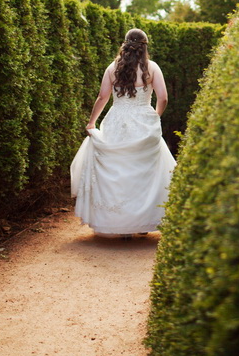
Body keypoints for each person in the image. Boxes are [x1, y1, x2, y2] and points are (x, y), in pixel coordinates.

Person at [70, 28, 176, 237]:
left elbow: (102, 97)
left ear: (125, 44)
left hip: (117, 120)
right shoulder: (152, 67)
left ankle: (123, 226)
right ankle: (143, 223)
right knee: (144, 172)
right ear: (144, 46)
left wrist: (92, 122)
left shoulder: (113, 67)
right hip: (144, 120)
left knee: (118, 171)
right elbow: (163, 98)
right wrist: (155, 115)